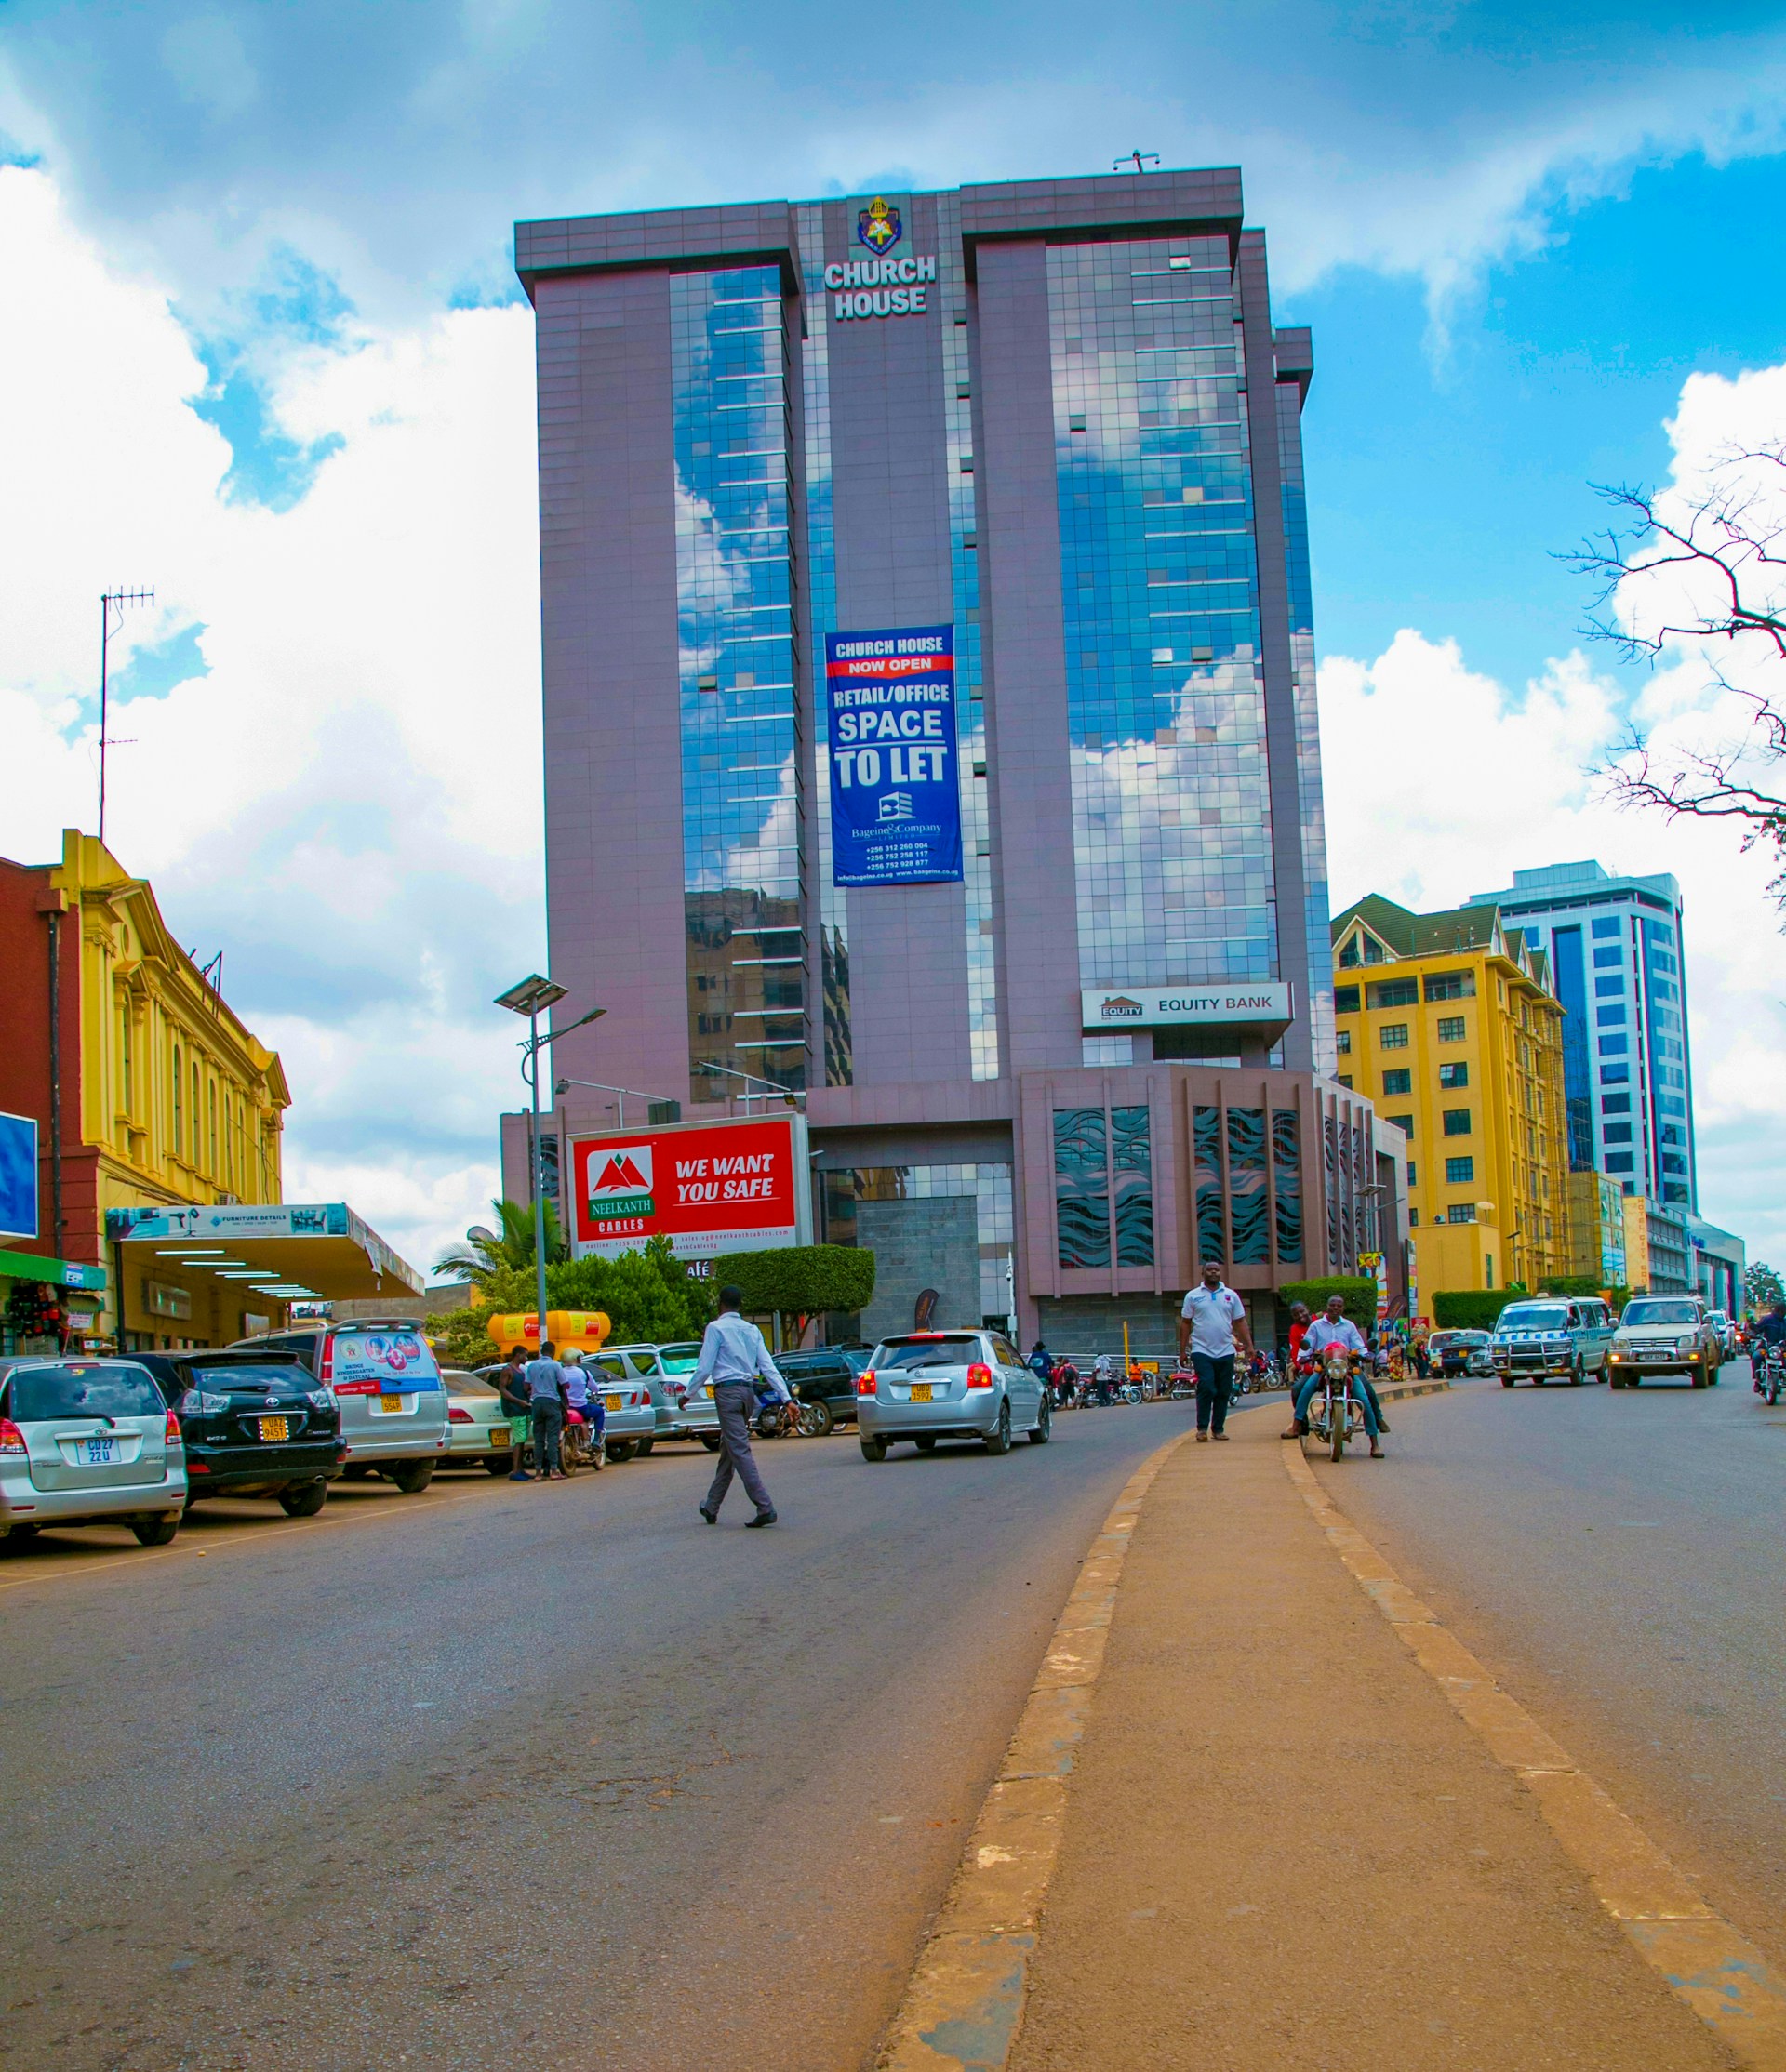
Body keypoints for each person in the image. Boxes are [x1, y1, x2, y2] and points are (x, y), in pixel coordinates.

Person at [692, 1286, 789, 1527]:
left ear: (720, 1305)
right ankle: (711, 1506)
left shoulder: (715, 1328)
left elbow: (705, 1367)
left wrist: (687, 1394)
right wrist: (787, 1398)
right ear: (739, 1305)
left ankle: (765, 1506)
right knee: (730, 1449)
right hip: (747, 1393)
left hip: (727, 1393)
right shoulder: (752, 1330)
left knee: (740, 1450)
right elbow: (768, 1367)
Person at [1284, 1296, 1383, 1457]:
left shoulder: (1349, 1326)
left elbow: (1359, 1346)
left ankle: (1375, 1443)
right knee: (1305, 1390)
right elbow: (1307, 1345)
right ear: (1327, 1307)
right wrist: (1304, 1356)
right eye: (1332, 1305)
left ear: (1343, 1308)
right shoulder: (1316, 1326)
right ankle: (1296, 1425)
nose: (1335, 1308)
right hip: (1323, 1368)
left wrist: (1366, 1355)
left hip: (1346, 1368)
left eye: (1339, 1306)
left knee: (1364, 1399)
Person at [1178, 1258, 1256, 1442]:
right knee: (1207, 1386)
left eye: (1217, 1270)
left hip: (1226, 1350)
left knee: (1223, 1390)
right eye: (1210, 1270)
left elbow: (1240, 1321)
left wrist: (1249, 1345)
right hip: (1201, 1349)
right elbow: (1185, 1323)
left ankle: (1218, 1429)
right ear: (1202, 1273)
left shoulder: (1231, 1295)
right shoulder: (1193, 1296)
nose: (1214, 1273)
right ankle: (1202, 1428)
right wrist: (1182, 1350)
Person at [526, 1337, 567, 1481]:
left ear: (541, 1352)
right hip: (552, 1403)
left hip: (536, 1403)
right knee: (552, 1438)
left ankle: (538, 1472)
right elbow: (565, 1384)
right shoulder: (556, 1366)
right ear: (553, 1352)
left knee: (538, 1439)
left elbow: (526, 1386)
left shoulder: (532, 1366)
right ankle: (554, 1470)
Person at [560, 1348, 605, 1469]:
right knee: (599, 1411)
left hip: (565, 1407)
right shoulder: (584, 1373)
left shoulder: (560, 1372)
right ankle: (595, 1441)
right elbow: (595, 1389)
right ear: (575, 1359)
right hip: (580, 1407)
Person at [497, 1344, 535, 1481]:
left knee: (522, 1440)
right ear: (518, 1355)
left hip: (524, 1409)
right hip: (514, 1410)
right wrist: (518, 1401)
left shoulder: (521, 1371)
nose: (526, 1358)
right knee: (518, 1440)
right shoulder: (508, 1370)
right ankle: (515, 1471)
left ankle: (520, 1469)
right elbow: (503, 1390)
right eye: (525, 1355)